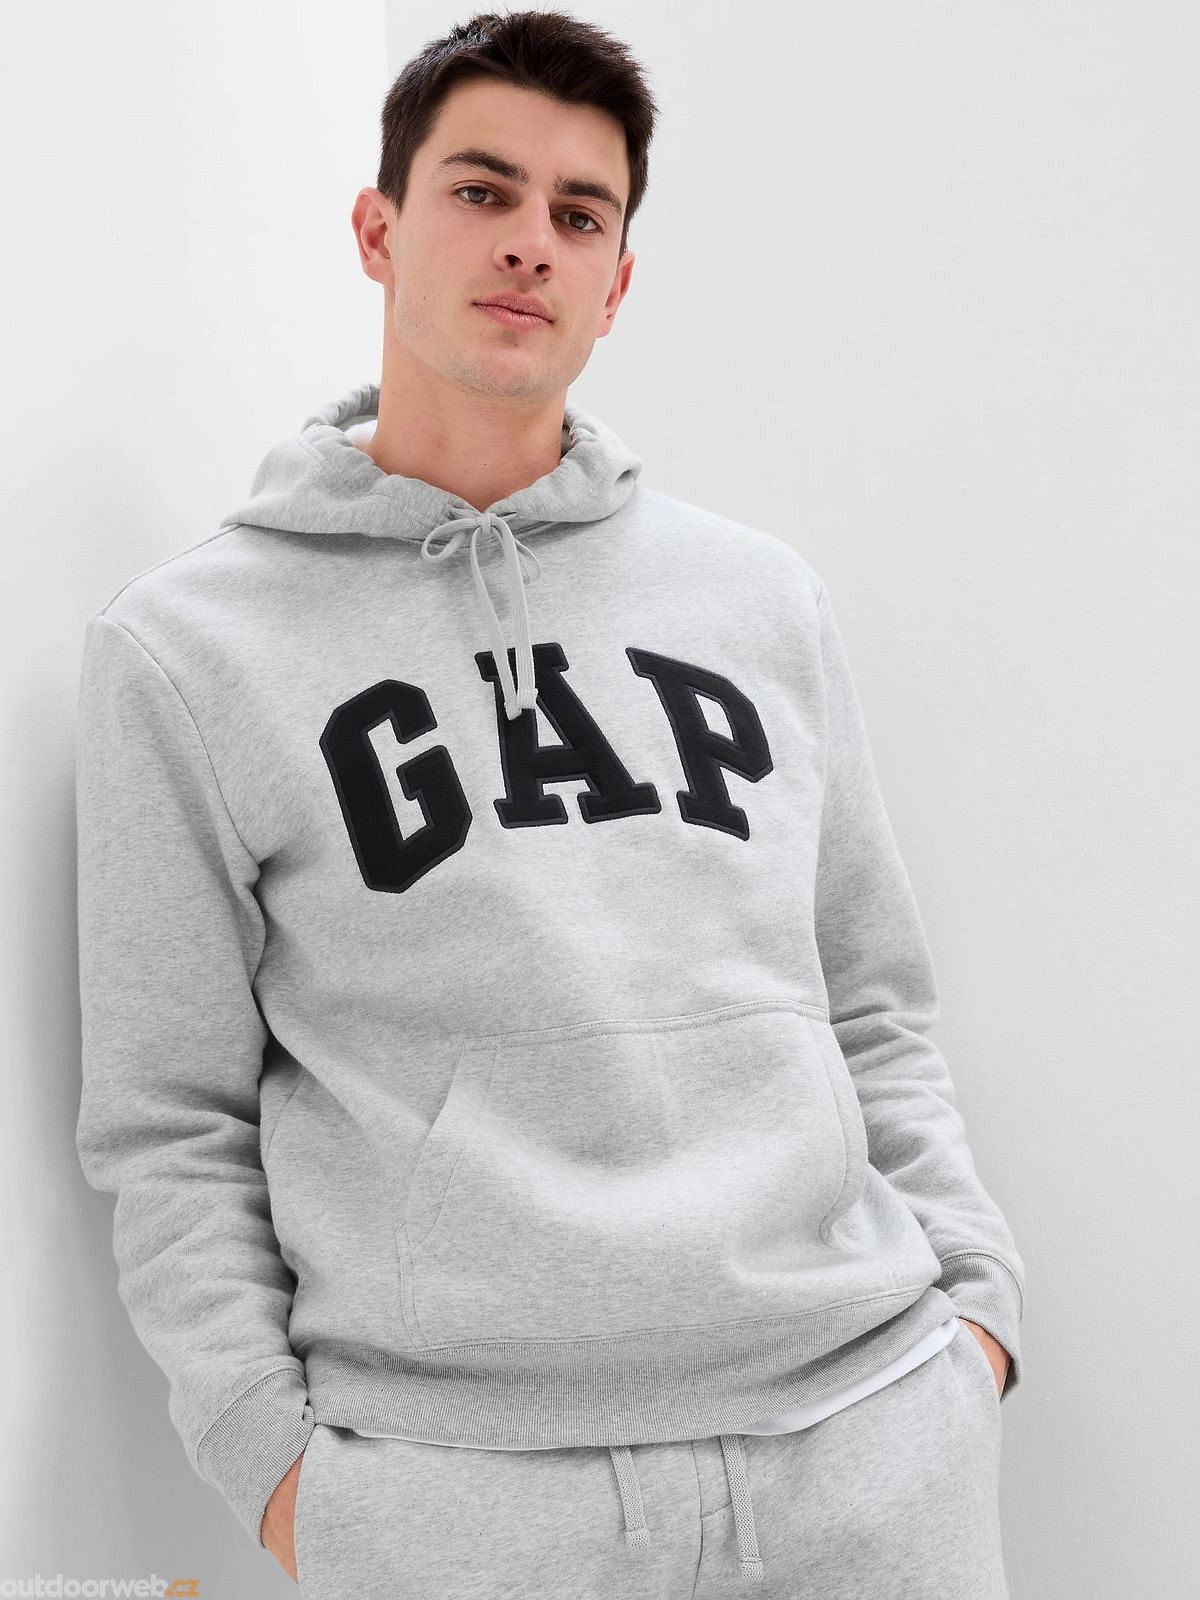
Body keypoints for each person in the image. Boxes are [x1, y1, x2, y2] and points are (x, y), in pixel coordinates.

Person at [73, 10, 1026, 1597]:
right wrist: (278, 1468)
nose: (531, 242)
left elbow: (873, 1001)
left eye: (580, 215)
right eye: (481, 191)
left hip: (864, 1450)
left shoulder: (759, 601)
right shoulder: (188, 651)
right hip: (461, 1503)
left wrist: (973, 1315)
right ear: (379, 231)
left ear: (616, 282)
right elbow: (169, 1118)